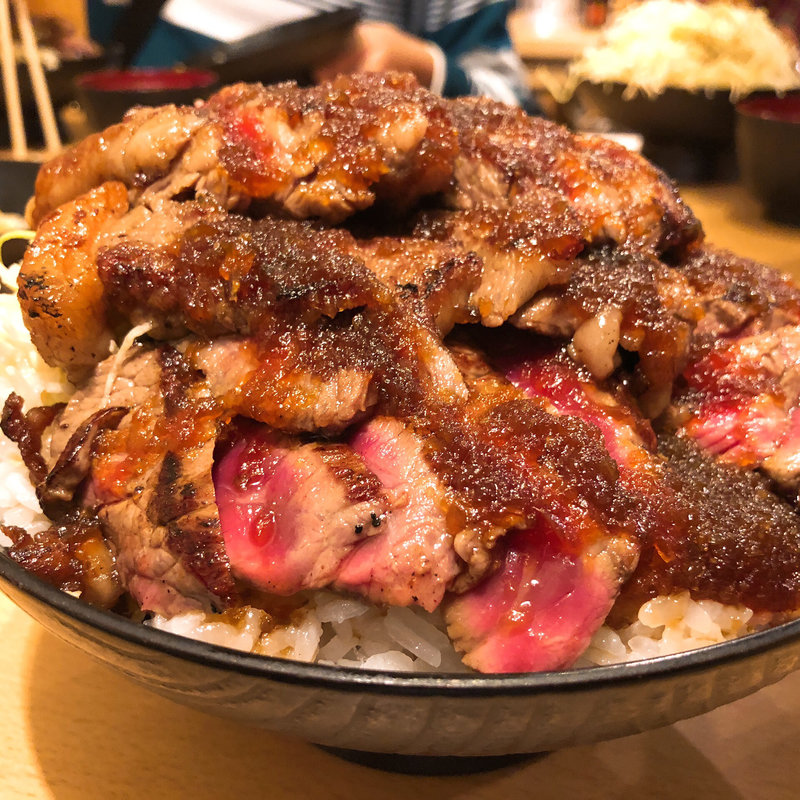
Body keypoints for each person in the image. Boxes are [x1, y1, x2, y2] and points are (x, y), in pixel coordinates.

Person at [87, 0, 537, 110]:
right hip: (129, 138)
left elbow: (512, 103)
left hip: (359, 186)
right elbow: (104, 39)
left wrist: (426, 67)